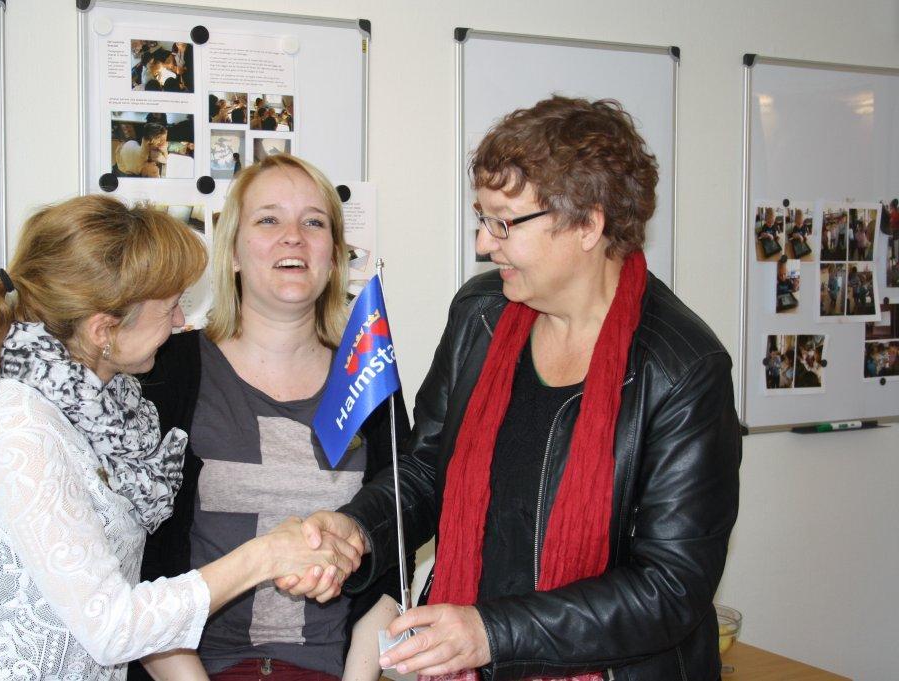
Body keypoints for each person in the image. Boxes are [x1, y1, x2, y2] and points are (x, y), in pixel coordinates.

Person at [286, 96, 741, 680]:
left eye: (504, 222)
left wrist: (490, 631)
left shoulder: (681, 369)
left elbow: (670, 588)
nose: (482, 243)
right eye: (482, 217)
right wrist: (356, 529)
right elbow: (426, 471)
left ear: (587, 224)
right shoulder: (482, 316)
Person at [0, 195, 358, 680]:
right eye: (170, 309)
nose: (182, 323)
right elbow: (112, 626)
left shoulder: (115, 413)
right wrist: (265, 554)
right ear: (105, 329)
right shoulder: (18, 423)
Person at [127, 154, 413, 681]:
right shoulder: (166, 371)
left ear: (334, 256)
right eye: (268, 219)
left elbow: (394, 551)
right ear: (233, 252)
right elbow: (135, 566)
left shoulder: (371, 381)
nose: (293, 237)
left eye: (313, 222)